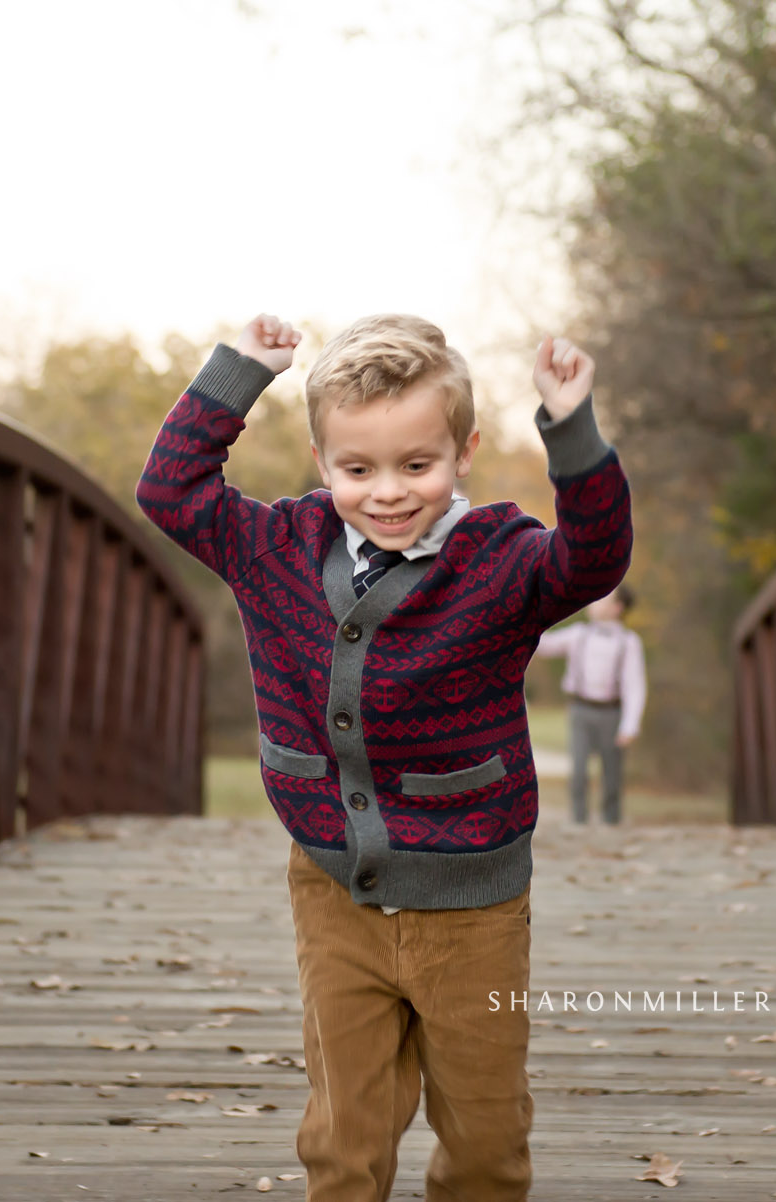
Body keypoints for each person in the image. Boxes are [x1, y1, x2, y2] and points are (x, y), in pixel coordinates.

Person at [134, 312, 632, 1201]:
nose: (389, 492)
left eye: (417, 465)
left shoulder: (502, 565)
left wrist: (572, 425)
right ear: (324, 463)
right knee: (343, 1138)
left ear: (464, 451)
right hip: (333, 890)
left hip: (472, 906)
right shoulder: (274, 549)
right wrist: (241, 374)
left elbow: (596, 557)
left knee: (485, 1140)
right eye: (358, 469)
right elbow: (171, 493)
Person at [534, 586, 646, 825]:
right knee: (578, 769)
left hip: (611, 712)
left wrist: (630, 725)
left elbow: (634, 686)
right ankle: (578, 820)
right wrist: (527, 625)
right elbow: (545, 646)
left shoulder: (629, 642)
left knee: (611, 771)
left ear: (617, 608)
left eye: (602, 600)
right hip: (580, 709)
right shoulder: (578, 634)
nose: (593, 603)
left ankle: (611, 820)